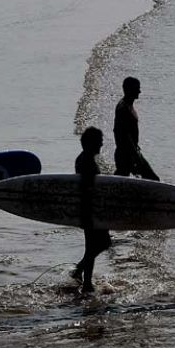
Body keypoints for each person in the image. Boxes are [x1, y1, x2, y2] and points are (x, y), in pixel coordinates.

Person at [71, 127, 112, 293]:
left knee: (96, 244)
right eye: (99, 140)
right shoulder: (86, 162)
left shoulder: (84, 159)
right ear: (90, 143)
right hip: (91, 211)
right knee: (100, 244)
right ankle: (84, 279)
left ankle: (82, 275)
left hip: (90, 210)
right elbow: (88, 189)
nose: (102, 143)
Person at [113, 77, 160, 181]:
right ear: (129, 89)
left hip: (132, 152)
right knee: (152, 179)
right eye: (137, 88)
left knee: (121, 178)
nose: (139, 91)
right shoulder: (123, 108)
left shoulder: (128, 106)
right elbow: (123, 134)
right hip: (126, 154)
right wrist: (135, 158)